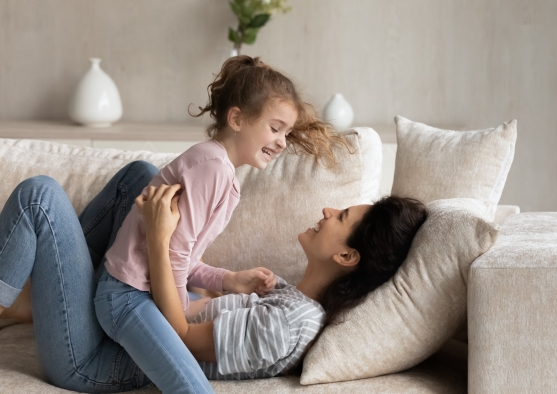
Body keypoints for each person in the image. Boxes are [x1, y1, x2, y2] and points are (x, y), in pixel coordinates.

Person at [0, 164, 427, 392]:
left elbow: (179, 335)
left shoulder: (291, 325)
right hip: (117, 321)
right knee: (139, 176)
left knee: (39, 197)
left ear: (347, 255)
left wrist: (159, 240)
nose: (328, 211)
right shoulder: (283, 293)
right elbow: (190, 289)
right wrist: (225, 279)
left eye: (342, 217)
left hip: (95, 361)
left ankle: (14, 297)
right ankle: (38, 297)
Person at [92, 55, 347, 392]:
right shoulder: (211, 168)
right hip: (128, 292)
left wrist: (226, 279)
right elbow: (174, 255)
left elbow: (185, 253)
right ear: (237, 118)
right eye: (275, 128)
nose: (283, 142)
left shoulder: (224, 176)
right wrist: (179, 314)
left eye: (286, 132)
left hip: (139, 288)